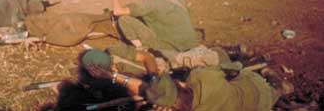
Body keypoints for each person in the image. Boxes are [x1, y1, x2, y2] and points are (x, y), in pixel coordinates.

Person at [82, 48, 293, 111]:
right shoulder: (201, 77)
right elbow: (150, 86)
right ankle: (273, 78)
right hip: (255, 91)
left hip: (260, 103)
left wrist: (113, 75)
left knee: (265, 85)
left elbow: (148, 89)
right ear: (181, 84)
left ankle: (272, 78)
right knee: (247, 74)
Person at [110, 0, 198, 53]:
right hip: (191, 44)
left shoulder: (151, 3)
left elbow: (117, 11)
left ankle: (142, 50)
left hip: (173, 48)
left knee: (124, 20)